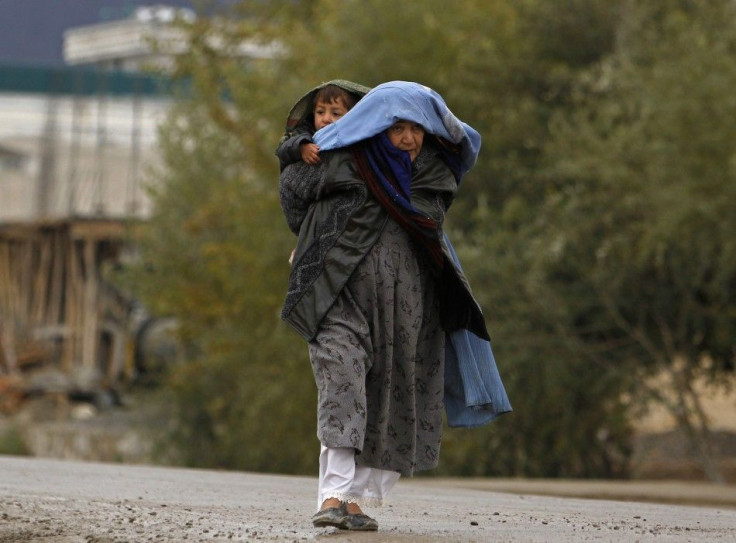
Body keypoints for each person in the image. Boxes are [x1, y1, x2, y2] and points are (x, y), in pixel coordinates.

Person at [278, 81, 511, 532]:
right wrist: (309, 238)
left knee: (391, 392)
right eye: (397, 128)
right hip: (336, 296)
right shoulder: (341, 160)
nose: (407, 138)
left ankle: (355, 501)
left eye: (417, 129)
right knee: (341, 376)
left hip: (406, 304)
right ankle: (333, 493)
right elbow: (292, 191)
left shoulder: (433, 176)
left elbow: (430, 218)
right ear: (376, 126)